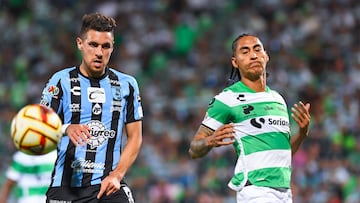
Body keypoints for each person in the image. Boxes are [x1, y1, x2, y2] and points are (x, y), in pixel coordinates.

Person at [188, 33, 311, 202]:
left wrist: (302, 133)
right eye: (244, 52)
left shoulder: (278, 99)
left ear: (266, 56)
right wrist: (210, 141)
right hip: (256, 191)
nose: (253, 55)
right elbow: (194, 149)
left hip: (284, 192)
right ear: (235, 62)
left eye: (257, 49)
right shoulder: (227, 99)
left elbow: (283, 154)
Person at [39, 12, 143, 203]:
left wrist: (117, 175)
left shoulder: (127, 84)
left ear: (112, 48)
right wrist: (65, 128)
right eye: (93, 45)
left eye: (106, 46)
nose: (99, 53)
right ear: (80, 44)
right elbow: (40, 127)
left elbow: (135, 137)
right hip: (66, 188)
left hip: (108, 187)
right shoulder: (60, 81)